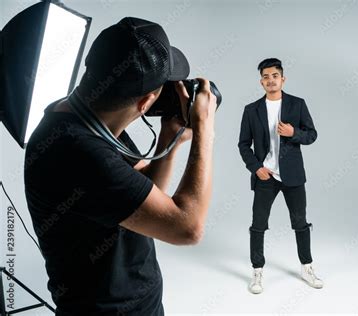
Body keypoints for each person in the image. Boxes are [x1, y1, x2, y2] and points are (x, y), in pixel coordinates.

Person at [24, 17, 216, 315]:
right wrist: (204, 130)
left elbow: (141, 191)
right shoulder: (79, 152)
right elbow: (187, 228)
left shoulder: (87, 114)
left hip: (138, 302)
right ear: (145, 102)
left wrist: (171, 135)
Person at [238, 58, 323, 294]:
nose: (270, 80)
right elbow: (243, 144)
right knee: (258, 225)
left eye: (274, 75)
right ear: (261, 81)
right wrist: (256, 168)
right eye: (265, 77)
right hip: (266, 176)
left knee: (300, 223)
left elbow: (312, 135)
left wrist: (293, 132)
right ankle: (257, 272)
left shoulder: (297, 104)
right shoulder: (251, 110)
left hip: (293, 175)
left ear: (282, 79)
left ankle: (307, 267)